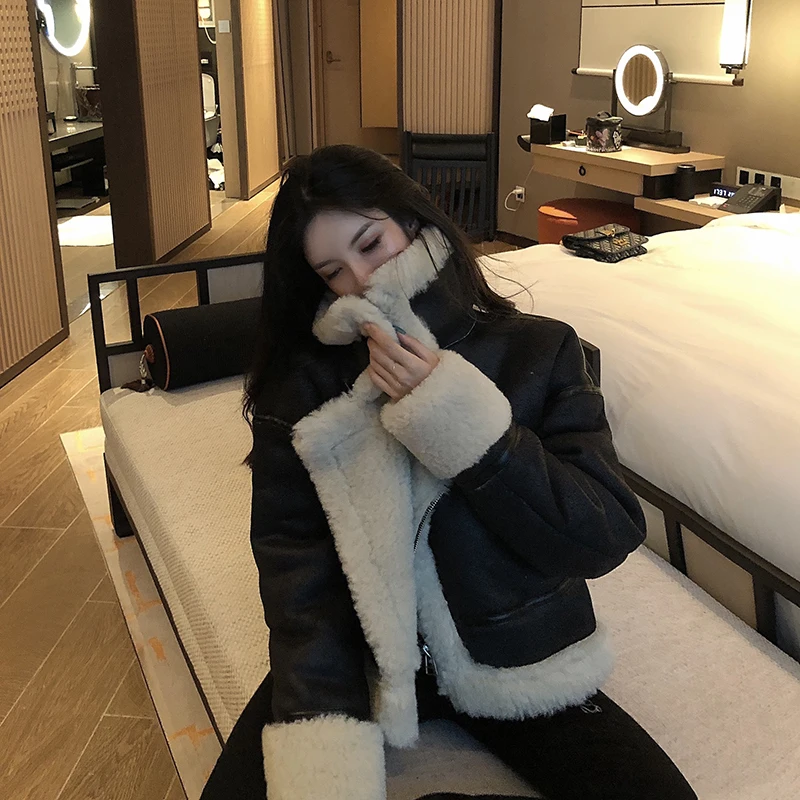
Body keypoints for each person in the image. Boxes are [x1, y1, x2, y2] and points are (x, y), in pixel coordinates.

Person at [200, 145, 696, 800]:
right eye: (333, 271)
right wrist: (323, 730)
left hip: (514, 655)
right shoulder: (302, 389)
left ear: (413, 220)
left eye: (371, 244)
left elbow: (601, 535)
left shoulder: (539, 350)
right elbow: (297, 570)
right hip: (363, 660)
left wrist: (455, 418)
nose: (362, 281)